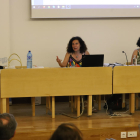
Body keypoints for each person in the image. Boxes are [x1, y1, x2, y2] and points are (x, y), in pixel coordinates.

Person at [56, 36, 97, 113]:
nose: (74, 45)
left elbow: (90, 65)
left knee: (89, 83)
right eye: (73, 44)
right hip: (72, 78)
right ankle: (83, 104)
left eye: (76, 43)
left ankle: (88, 104)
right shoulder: (69, 54)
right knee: (83, 84)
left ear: (80, 44)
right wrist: (59, 62)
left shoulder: (86, 53)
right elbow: (63, 65)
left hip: (84, 77)